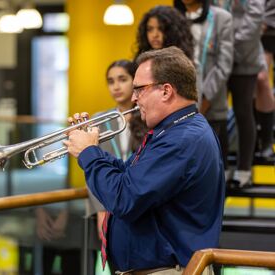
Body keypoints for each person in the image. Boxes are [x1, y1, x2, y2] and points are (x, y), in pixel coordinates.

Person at [64, 46, 225, 273]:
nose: (133, 97)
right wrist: (93, 148)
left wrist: (89, 154)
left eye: (139, 89)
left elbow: (125, 199)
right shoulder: (174, 130)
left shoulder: (182, 139)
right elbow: (130, 175)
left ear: (166, 91)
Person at [86, 59, 147, 274]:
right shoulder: (98, 120)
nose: (116, 86)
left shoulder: (147, 116)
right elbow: (92, 167)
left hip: (136, 200)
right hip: (107, 203)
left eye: (122, 79)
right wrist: (100, 210)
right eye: (111, 81)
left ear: (134, 82)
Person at [173, 0, 234, 178]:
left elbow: (225, 63)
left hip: (213, 106)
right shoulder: (174, 18)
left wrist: (205, 97)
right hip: (179, 110)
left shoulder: (222, 17)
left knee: (215, 173)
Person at [212, 0, 266, 187]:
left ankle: (244, 170)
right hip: (219, 59)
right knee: (218, 112)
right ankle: (224, 167)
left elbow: (254, 23)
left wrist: (227, 49)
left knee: (243, 113)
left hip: (244, 59)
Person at [254, 0, 275, 161]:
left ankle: (266, 142)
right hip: (255, 30)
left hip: (266, 28)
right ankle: (261, 141)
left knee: (262, 80)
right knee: (258, 81)